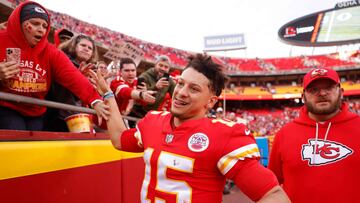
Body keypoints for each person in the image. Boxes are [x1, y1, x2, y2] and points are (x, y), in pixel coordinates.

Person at [92, 54, 290, 202]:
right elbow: (119, 139)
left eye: (194, 89)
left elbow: (272, 194)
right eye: (181, 84)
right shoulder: (153, 120)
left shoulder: (224, 134)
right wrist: (108, 95)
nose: (181, 93)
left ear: (211, 101)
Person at [0, 1, 109, 131]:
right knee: (15, 134)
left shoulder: (50, 51)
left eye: (45, 25)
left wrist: (95, 100)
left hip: (35, 110)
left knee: (32, 144)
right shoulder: (2, 40)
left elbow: (72, 76)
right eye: (35, 23)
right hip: (6, 105)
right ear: (19, 23)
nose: (41, 29)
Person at [268, 67, 360, 203]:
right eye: (313, 89)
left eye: (328, 88)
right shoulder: (284, 134)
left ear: (340, 91)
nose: (322, 93)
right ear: (303, 96)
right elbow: (272, 185)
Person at [45, 33, 99, 132]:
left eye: (90, 48)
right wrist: (79, 78)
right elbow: (58, 92)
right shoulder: (62, 61)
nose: (86, 49)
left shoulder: (91, 70)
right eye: (83, 45)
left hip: (78, 117)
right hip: (59, 116)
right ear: (73, 46)